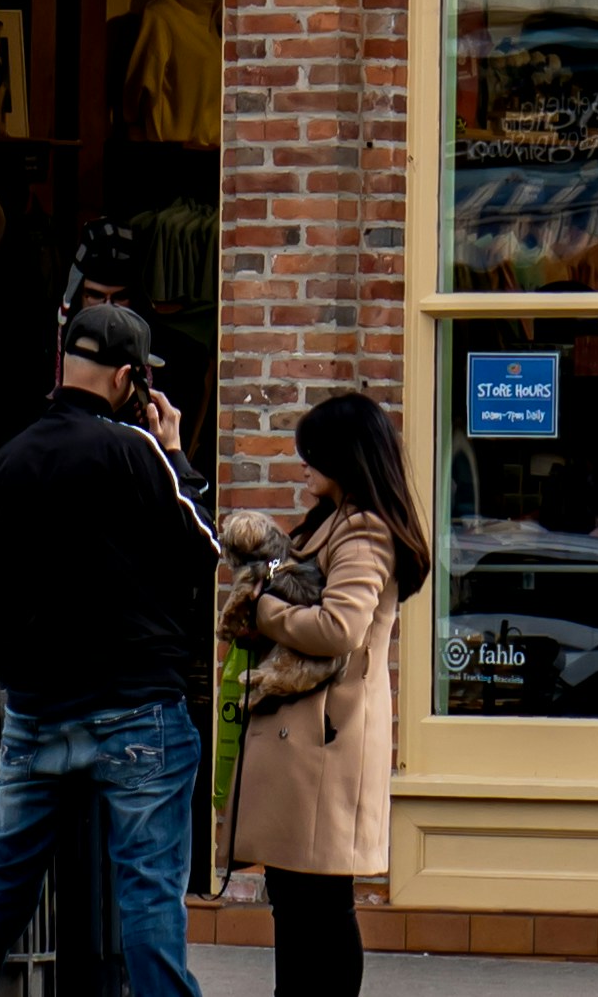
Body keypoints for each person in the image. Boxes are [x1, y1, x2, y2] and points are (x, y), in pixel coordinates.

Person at [0, 295, 218, 997]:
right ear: (128, 379)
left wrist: (19, 676)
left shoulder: (5, 461)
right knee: (149, 897)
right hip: (138, 706)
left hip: (38, 711)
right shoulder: (137, 451)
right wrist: (177, 452)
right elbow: (202, 550)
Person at [218, 389, 429, 997]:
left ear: (343, 455)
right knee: (298, 900)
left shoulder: (362, 533)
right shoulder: (335, 522)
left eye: (310, 451)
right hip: (309, 741)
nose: (300, 462)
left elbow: (340, 629)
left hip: (323, 743)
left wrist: (263, 611)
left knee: (318, 903)